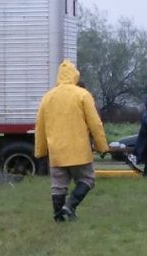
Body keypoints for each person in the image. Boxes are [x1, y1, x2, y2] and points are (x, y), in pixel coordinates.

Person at [34, 60, 109, 222]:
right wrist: (102, 146)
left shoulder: (47, 97)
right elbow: (95, 123)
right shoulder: (82, 95)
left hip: (56, 152)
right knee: (87, 179)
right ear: (75, 75)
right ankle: (70, 206)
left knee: (58, 185)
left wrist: (40, 151)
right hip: (79, 150)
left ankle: (58, 216)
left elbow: (40, 126)